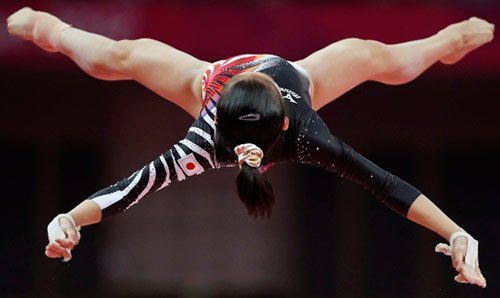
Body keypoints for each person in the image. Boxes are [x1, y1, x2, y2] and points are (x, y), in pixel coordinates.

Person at [7, 6, 493, 288]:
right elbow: (383, 184)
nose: (253, 66)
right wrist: (455, 232)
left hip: (228, 80)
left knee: (125, 55)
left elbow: (128, 190)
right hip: (264, 79)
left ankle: (445, 40)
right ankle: (53, 31)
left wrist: (72, 215)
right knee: (371, 55)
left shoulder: (211, 139)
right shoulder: (293, 131)